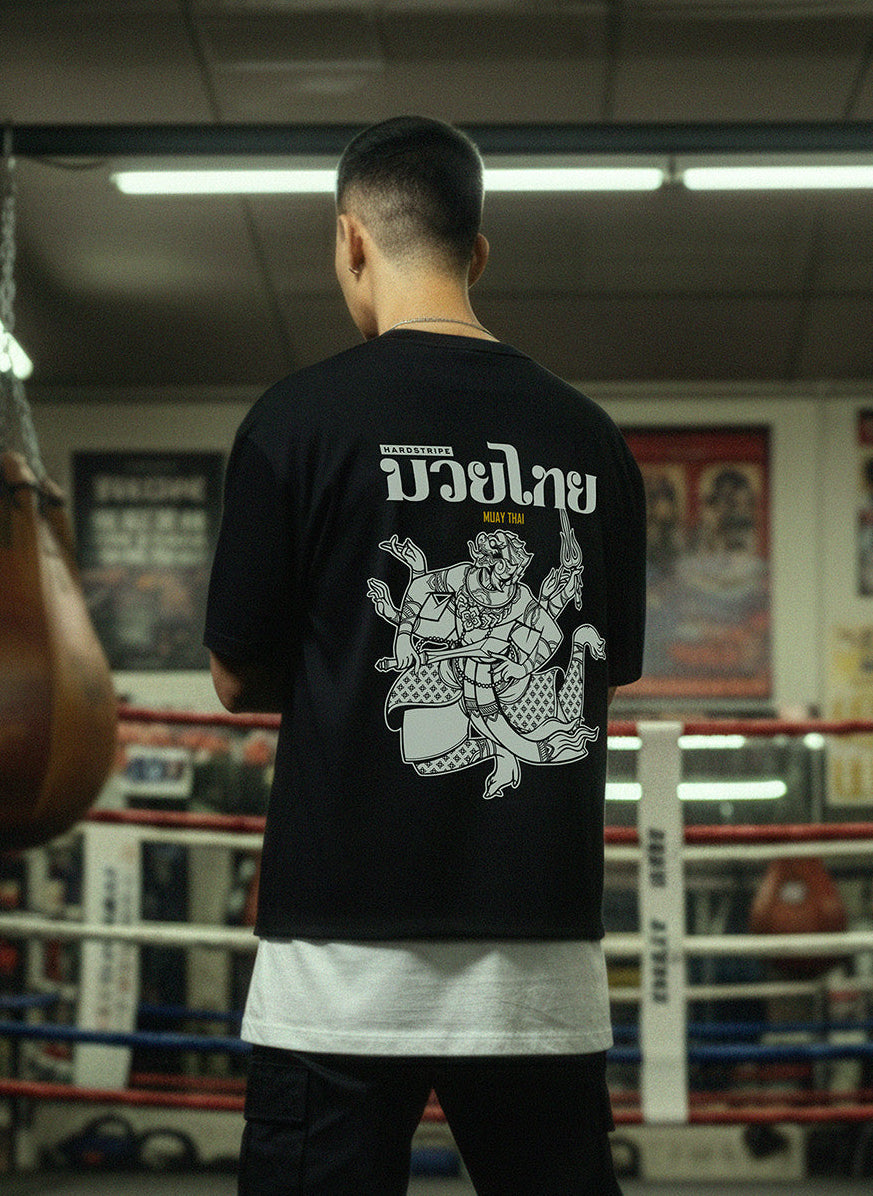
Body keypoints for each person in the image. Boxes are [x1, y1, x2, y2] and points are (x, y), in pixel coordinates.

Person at [204, 115, 646, 1196]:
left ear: (350, 240)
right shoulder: (592, 440)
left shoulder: (294, 422)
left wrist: (346, 664)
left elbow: (233, 673)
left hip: (339, 975)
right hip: (537, 966)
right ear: (479, 251)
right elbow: (602, 671)